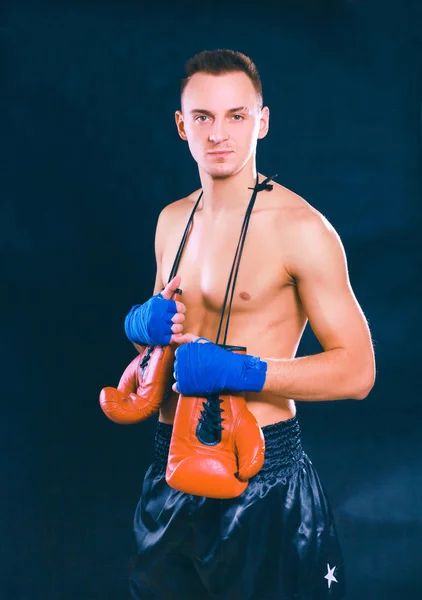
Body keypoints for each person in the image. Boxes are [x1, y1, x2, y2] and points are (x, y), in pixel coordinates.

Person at [125, 49, 375, 600]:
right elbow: (169, 353)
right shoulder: (171, 221)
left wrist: (242, 370)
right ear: (181, 125)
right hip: (170, 470)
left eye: (237, 115)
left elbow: (358, 371)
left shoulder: (300, 228)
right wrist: (146, 338)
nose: (219, 134)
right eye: (203, 118)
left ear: (262, 121)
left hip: (263, 482)